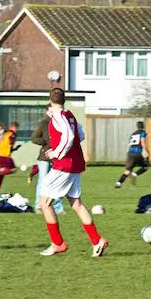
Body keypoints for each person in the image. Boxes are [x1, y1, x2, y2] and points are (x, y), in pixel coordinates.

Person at [39, 88, 108, 257]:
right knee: (76, 203)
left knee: (44, 203)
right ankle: (97, 240)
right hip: (75, 164)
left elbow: (69, 137)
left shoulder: (58, 116)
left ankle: (58, 243)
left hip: (64, 165)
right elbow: (80, 135)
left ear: (50, 101)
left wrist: (57, 152)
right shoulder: (70, 115)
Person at [30, 104, 65, 215]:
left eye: (53, 111)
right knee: (42, 182)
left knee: (57, 182)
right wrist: (45, 141)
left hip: (57, 158)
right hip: (44, 157)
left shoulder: (61, 123)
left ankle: (58, 207)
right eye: (50, 111)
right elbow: (34, 138)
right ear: (47, 112)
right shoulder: (43, 124)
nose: (52, 113)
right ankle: (38, 206)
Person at [115, 121, 149, 187]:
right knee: (145, 166)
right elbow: (142, 141)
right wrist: (144, 150)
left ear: (137, 126)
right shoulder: (143, 132)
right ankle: (135, 174)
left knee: (128, 170)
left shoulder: (133, 134)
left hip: (130, 153)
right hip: (137, 152)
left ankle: (119, 183)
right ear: (143, 126)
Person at [0, 122, 21, 189]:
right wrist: (12, 141)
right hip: (4, 155)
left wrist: (15, 148)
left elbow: (7, 145)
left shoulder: (6, 133)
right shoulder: (12, 134)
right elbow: (10, 142)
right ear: (13, 127)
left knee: (3, 170)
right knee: (12, 169)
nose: (17, 130)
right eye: (16, 128)